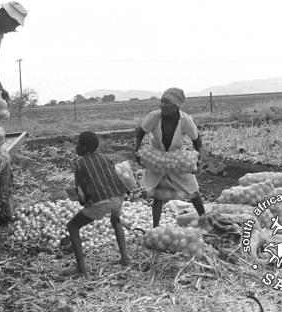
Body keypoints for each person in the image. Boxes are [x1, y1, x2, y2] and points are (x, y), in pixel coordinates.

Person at [134, 87, 206, 227]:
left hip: (176, 158)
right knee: (159, 194)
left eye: (167, 102)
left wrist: (200, 160)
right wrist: (136, 150)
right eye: (161, 101)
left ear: (176, 105)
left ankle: (205, 220)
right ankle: (155, 227)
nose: (162, 105)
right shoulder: (154, 116)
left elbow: (196, 140)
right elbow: (141, 132)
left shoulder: (186, 120)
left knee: (193, 190)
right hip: (157, 158)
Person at [66, 131, 129, 276]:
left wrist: (84, 202)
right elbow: (113, 176)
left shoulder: (80, 163)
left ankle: (81, 269)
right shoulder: (105, 158)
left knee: (73, 226)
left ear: (84, 146)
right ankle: (125, 258)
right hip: (118, 197)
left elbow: (81, 189)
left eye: (78, 143)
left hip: (102, 201)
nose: (76, 147)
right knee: (116, 221)